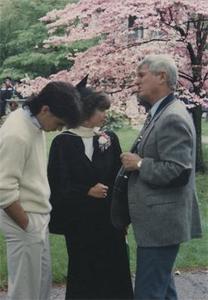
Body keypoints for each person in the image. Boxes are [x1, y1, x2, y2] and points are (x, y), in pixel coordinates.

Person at [118, 54, 202, 299]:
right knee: (163, 291)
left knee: (148, 293)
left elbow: (178, 171)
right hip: (157, 223)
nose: (136, 81)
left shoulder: (172, 116)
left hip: (161, 225)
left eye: (141, 75)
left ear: (162, 76)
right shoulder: (160, 112)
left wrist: (140, 163)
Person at [48, 80, 133, 299]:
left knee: (114, 272)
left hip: (109, 222)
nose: (105, 115)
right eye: (101, 110)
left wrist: (123, 217)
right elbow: (58, 183)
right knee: (84, 272)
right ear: (85, 111)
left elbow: (119, 179)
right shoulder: (63, 143)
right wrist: (86, 190)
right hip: (81, 223)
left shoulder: (109, 139)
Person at [0, 81, 82, 300]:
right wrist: (27, 225)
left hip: (37, 216)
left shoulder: (33, 122)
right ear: (45, 109)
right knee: (25, 292)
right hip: (24, 219)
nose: (59, 129)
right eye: (59, 122)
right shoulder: (17, 133)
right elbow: (3, 189)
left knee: (40, 287)